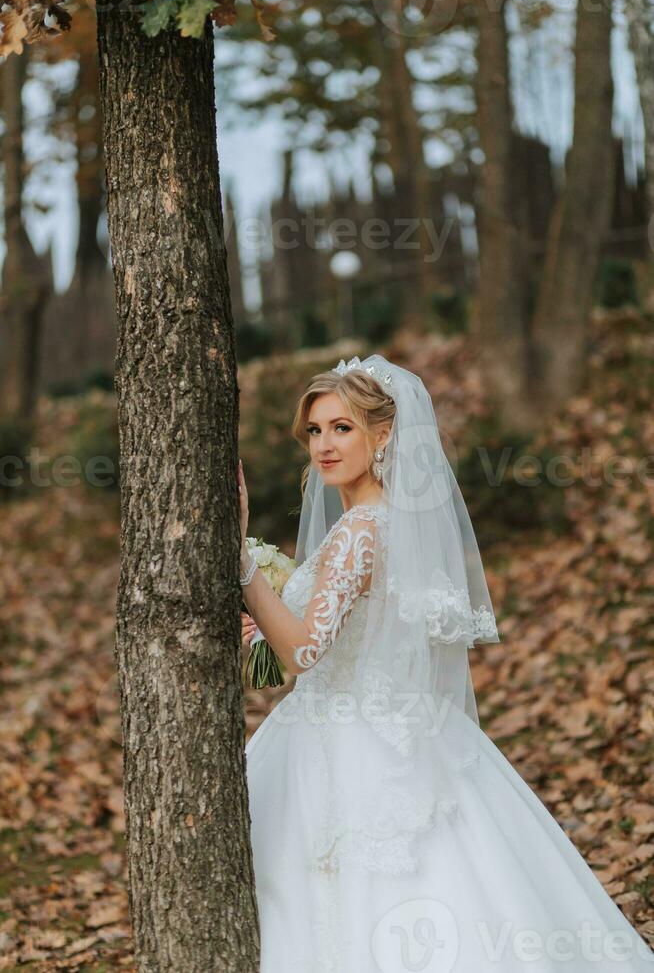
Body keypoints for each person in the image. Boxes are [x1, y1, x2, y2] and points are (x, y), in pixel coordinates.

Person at [238, 354, 654, 973]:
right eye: (317, 431)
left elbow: (302, 651)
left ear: (384, 436)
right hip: (379, 723)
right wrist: (259, 633)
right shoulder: (376, 525)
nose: (324, 445)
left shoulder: (360, 531)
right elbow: (324, 640)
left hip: (345, 738)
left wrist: (242, 566)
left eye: (343, 428)